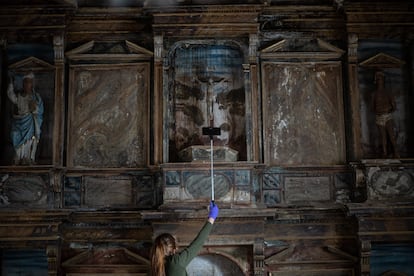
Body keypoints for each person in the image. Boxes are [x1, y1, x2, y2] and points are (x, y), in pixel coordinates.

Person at [150, 201, 219, 276]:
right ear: (174, 249)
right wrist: (212, 218)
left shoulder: (153, 267)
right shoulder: (176, 262)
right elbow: (197, 243)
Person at [7, 72, 44, 165]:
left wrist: (35, 108)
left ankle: (27, 158)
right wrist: (10, 83)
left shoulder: (36, 97)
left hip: (30, 121)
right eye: (25, 82)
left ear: (32, 84)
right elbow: (11, 95)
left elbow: (40, 110)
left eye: (29, 82)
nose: (27, 85)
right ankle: (19, 157)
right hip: (19, 121)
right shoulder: (19, 96)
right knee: (15, 135)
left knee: (30, 139)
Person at [371, 70, 399, 158]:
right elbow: (372, 107)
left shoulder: (388, 92)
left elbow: (394, 106)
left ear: (383, 80)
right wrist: (378, 111)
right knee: (382, 137)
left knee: (391, 135)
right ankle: (384, 153)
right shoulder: (374, 94)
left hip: (387, 116)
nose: (379, 81)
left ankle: (396, 152)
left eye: (380, 79)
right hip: (379, 117)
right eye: (377, 79)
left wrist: (388, 109)